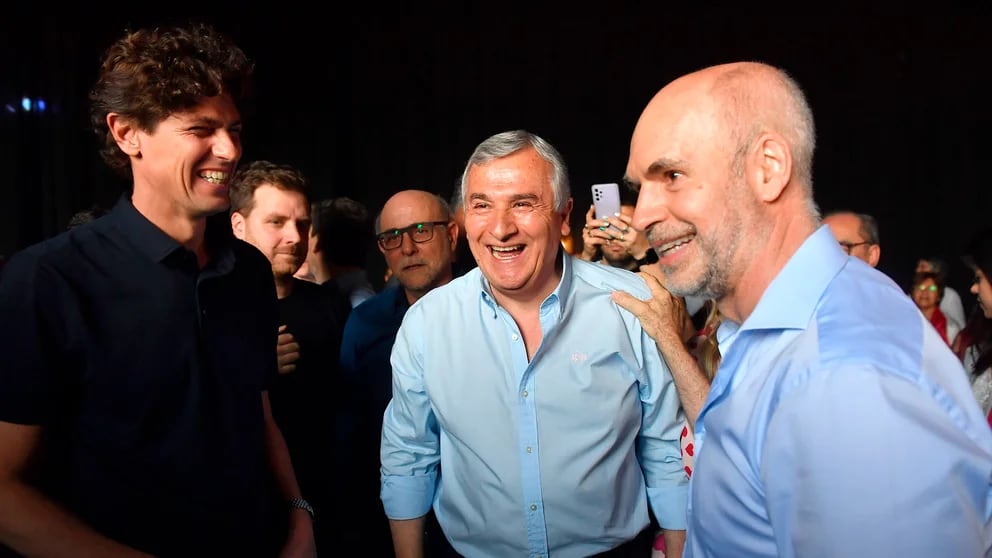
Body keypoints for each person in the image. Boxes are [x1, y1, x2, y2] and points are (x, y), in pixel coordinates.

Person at [614, 61, 992, 557]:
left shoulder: (842, 376)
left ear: (768, 168)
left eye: (674, 176)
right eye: (641, 188)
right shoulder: (796, 320)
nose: (643, 214)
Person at [0, 23, 315, 557]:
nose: (229, 149)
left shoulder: (249, 274)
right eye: (201, 129)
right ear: (126, 134)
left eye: (234, 129)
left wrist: (298, 516)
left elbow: (256, 412)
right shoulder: (48, 281)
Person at [380, 130, 689, 558]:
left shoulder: (632, 306)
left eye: (523, 204)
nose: (501, 229)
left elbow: (667, 447)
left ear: (564, 217)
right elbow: (408, 454)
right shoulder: (427, 323)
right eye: (482, 206)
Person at [229, 160, 350, 550]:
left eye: (301, 224)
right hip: (250, 507)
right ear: (238, 226)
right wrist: (254, 368)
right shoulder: (214, 311)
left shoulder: (331, 305)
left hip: (331, 497)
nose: (294, 237)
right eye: (276, 222)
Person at [339, 189, 459, 556]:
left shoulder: (496, 309)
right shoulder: (365, 322)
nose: (407, 248)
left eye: (421, 230)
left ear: (452, 235)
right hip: (390, 520)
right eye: (392, 237)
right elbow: (351, 432)